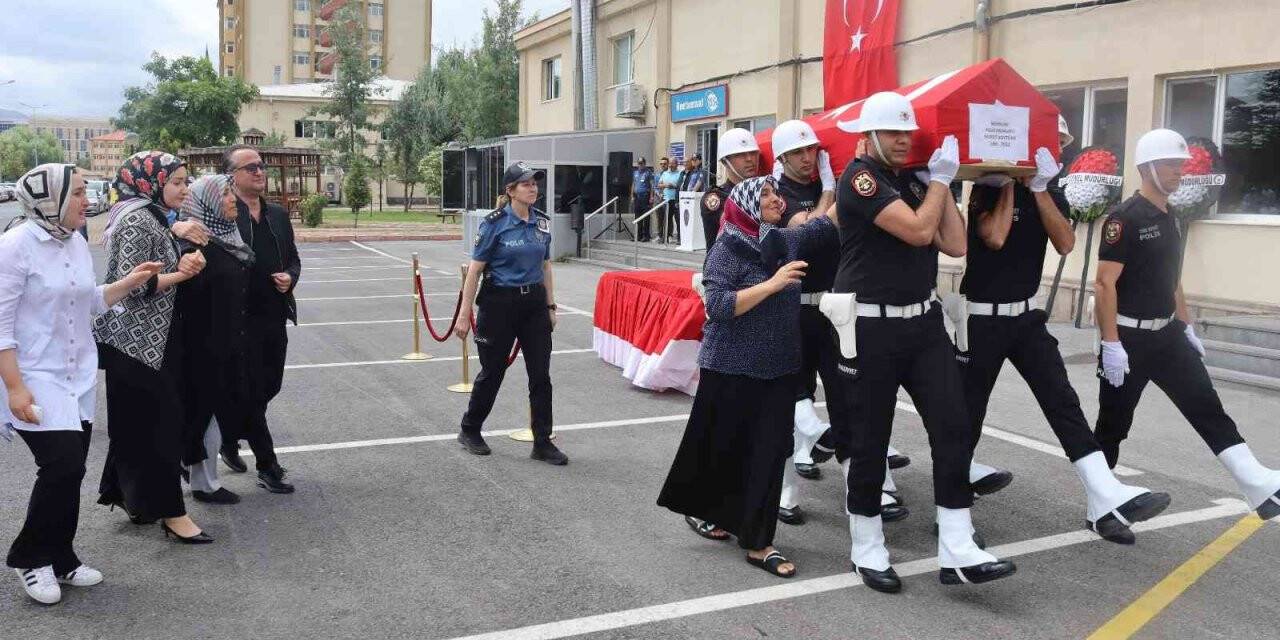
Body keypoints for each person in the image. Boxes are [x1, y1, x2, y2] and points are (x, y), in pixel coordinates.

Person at [826, 91, 1015, 593]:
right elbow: (914, 231)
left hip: (923, 321)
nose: (904, 139)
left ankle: (957, 545)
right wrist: (940, 183)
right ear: (869, 135)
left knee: (953, 426)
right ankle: (866, 547)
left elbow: (953, 244)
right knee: (869, 441)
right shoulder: (859, 178)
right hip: (870, 325)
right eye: (893, 132)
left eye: (907, 131)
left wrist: (940, 185)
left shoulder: (914, 180)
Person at [955, 119, 1171, 544]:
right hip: (980, 316)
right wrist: (1016, 182)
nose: (1054, 152)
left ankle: (1103, 497)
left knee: (1062, 401)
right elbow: (994, 238)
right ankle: (955, 513)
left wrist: (1038, 188)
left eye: (1059, 146)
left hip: (1025, 317)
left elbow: (1067, 242)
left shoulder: (1050, 190)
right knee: (968, 412)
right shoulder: (989, 184)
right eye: (1048, 144)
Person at [1094, 128, 1280, 522]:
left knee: (1206, 405)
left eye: (1181, 165)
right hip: (1129, 338)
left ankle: (1256, 484)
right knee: (1113, 424)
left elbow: (1172, 278)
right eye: (1171, 165)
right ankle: (1101, 503)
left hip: (1167, 336)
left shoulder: (1172, 216)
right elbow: (1104, 283)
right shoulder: (1124, 219)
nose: (1179, 172)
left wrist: (1186, 324)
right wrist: (1111, 344)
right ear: (1147, 168)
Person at [2, 164, 161, 605]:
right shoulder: (15, 247)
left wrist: (128, 284)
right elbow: (0, 327)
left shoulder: (73, 240)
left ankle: (62, 556)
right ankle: (31, 558)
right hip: (34, 376)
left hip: (77, 376)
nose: (85, 200)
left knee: (73, 470)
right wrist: (15, 389)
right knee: (62, 466)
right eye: (75, 193)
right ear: (49, 200)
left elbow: (89, 300)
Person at [659, 175, 825, 579]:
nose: (776, 201)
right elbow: (717, 306)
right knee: (726, 448)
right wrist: (772, 284)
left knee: (768, 452)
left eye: (776, 193)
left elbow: (824, 224)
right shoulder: (727, 247)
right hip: (730, 367)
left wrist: (834, 179)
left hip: (778, 367)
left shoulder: (778, 240)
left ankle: (757, 540)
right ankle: (718, 516)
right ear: (747, 203)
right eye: (765, 194)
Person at [767, 120, 908, 528]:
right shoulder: (779, 194)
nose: (809, 158)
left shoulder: (828, 187)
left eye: (813, 150)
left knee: (849, 403)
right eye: (799, 152)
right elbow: (811, 229)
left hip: (833, 308)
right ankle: (786, 494)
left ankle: (866, 489)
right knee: (793, 404)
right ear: (782, 158)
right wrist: (833, 185)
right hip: (792, 308)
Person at [94, 151, 213, 544]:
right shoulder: (135, 220)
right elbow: (131, 287)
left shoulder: (149, 214)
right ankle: (172, 514)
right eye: (176, 181)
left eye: (185, 181)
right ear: (150, 181)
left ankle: (128, 495)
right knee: (161, 428)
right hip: (138, 345)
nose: (184, 189)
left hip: (152, 341)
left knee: (135, 426)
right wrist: (182, 273)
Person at [454, 163, 568, 466]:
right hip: (498, 305)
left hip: (534, 306)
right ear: (510, 190)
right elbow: (475, 270)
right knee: (493, 371)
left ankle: (542, 442)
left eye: (534, 183)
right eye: (525, 183)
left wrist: (551, 306)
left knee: (541, 376)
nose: (533, 188)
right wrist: (464, 314)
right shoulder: (494, 224)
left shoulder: (542, 223)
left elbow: (545, 266)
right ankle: (470, 429)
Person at [217, 145, 299, 495]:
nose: (259, 172)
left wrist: (291, 277)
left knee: (269, 386)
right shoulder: (224, 214)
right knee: (251, 392)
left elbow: (293, 259)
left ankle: (228, 436)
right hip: (237, 320)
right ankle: (268, 465)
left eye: (261, 166)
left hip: (273, 315)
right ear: (231, 176)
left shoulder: (277, 215)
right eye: (250, 167)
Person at [178, 175, 255, 505]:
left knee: (218, 412)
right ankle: (204, 484)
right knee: (205, 414)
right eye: (224, 194)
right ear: (207, 203)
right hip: (204, 346)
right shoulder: (195, 247)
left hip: (228, 342)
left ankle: (195, 470)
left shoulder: (227, 238)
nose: (232, 198)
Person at [700, 129, 760, 252]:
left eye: (753, 153)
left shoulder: (764, 191)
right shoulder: (716, 196)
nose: (749, 159)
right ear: (725, 161)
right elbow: (737, 225)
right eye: (740, 155)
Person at [657, 157, 684, 244]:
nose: (671, 165)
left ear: (676, 164)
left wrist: (674, 186)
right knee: (666, 220)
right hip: (666, 200)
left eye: (673, 163)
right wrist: (666, 185)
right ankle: (665, 237)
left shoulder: (680, 173)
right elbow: (659, 185)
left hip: (676, 200)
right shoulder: (665, 173)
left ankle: (680, 238)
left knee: (678, 219)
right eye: (670, 164)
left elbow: (682, 186)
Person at [631, 158, 655, 242]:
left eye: (641, 163)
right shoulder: (635, 173)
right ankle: (638, 236)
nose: (640, 165)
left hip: (645, 196)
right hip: (637, 197)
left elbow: (652, 185)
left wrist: (651, 196)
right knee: (638, 217)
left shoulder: (648, 173)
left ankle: (646, 236)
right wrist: (632, 196)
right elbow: (633, 184)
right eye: (639, 163)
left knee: (646, 217)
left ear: (645, 164)